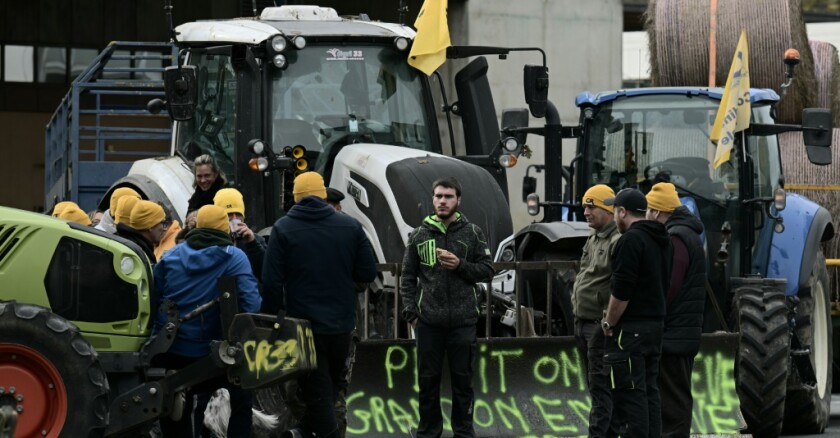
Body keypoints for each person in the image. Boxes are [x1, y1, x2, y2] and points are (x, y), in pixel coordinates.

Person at [262, 171, 377, 438]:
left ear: (294, 197)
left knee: (316, 390)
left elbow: (271, 282)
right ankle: (308, 430)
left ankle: (307, 431)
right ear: (323, 194)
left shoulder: (283, 229)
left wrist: (270, 320)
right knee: (330, 390)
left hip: (302, 328)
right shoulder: (349, 227)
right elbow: (367, 273)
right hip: (341, 326)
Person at [153, 204, 261, 437]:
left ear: (197, 227)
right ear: (225, 230)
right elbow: (251, 304)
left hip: (173, 350)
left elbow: (154, 298)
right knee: (242, 396)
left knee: (172, 398)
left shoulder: (170, 255)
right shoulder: (235, 257)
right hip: (215, 355)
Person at [400, 177, 494, 438]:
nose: (442, 201)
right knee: (428, 383)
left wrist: (461, 265)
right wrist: (411, 311)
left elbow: (487, 270)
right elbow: (407, 276)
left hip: (463, 322)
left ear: (458, 200)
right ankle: (429, 433)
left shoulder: (472, 232)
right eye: (438, 196)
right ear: (432, 199)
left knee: (463, 383)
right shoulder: (419, 235)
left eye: (448, 196)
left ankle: (463, 432)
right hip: (428, 323)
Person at [601, 188, 671, 438]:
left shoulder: (630, 241)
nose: (614, 218)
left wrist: (609, 322)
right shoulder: (663, 239)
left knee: (631, 396)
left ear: (622, 212)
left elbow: (621, 292)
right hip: (655, 327)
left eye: (614, 211)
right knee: (650, 391)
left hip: (631, 332)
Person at [645, 182, 705, 438]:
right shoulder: (685, 234)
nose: (646, 215)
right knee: (674, 402)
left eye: (648, 210)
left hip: (674, 338)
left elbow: (670, 286)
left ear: (658, 212)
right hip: (678, 335)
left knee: (674, 405)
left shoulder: (677, 238)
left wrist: (650, 311)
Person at [570, 184, 621, 438]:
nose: (586, 212)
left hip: (599, 327)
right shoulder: (593, 237)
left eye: (592, 206)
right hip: (583, 323)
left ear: (607, 208)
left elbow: (620, 286)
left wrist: (607, 321)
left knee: (601, 389)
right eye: (584, 207)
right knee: (595, 387)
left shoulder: (617, 241)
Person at [213, 188, 267, 279]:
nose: (234, 218)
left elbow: (266, 274)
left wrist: (252, 244)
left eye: (238, 214)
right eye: (229, 214)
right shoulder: (211, 241)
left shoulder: (256, 240)